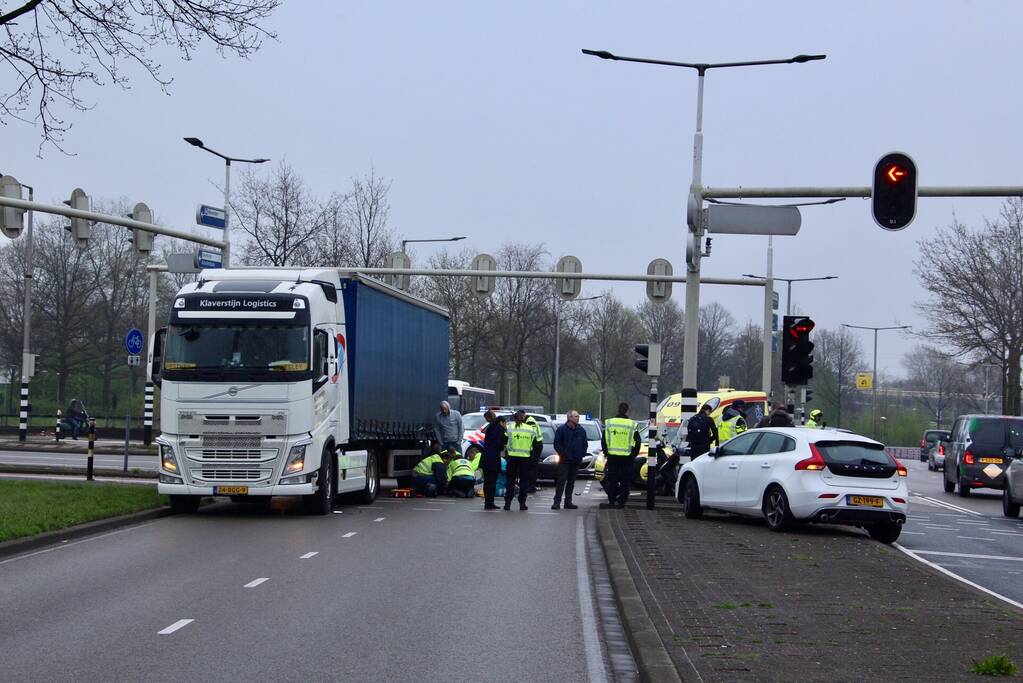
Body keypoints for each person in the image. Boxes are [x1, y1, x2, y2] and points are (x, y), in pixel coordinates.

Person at [602, 402, 641, 509]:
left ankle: (611, 501)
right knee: (625, 481)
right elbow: (638, 441)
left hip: (612, 457)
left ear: (618, 409)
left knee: (612, 480)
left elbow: (604, 440)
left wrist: (606, 453)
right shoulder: (632, 424)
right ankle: (621, 502)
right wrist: (633, 455)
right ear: (627, 410)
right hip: (627, 458)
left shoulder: (609, 423)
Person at [552, 410, 588, 510]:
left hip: (576, 461)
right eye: (576, 416)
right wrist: (563, 454)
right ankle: (556, 502)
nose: (578, 418)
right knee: (561, 482)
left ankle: (568, 502)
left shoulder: (581, 430)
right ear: (570, 418)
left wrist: (582, 454)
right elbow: (557, 444)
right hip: (564, 461)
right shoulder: (562, 429)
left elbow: (585, 444)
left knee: (571, 482)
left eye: (578, 416)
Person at [504, 410, 539, 511]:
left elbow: (504, 441)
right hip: (525, 458)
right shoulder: (530, 429)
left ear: (514, 418)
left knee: (510, 480)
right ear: (523, 419)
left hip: (512, 458)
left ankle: (508, 502)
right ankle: (522, 503)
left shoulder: (509, 428)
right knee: (524, 481)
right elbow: (535, 444)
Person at [479, 412, 507, 509]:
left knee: (487, 481)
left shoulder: (489, 428)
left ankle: (487, 502)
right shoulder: (500, 429)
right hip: (493, 457)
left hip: (485, 456)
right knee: (492, 481)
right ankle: (490, 503)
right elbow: (501, 444)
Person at [525, 414, 543, 493]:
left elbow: (531, 435)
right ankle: (531, 486)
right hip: (537, 446)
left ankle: (531, 486)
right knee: (532, 468)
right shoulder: (529, 420)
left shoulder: (530, 422)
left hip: (535, 447)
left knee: (532, 468)